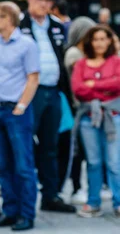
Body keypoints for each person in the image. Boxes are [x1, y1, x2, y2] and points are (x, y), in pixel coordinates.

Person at [19, 0, 76, 213]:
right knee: (25, 145)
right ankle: (25, 198)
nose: (44, 4)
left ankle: (50, 195)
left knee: (50, 145)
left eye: (48, 0)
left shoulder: (56, 26)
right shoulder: (19, 24)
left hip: (53, 91)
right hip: (29, 92)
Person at [0, 2, 40, 231]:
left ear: (8, 18)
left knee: (23, 166)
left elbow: (33, 77)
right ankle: (9, 211)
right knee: (3, 165)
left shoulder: (27, 44)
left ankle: (27, 214)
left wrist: (21, 105)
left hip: (16, 111)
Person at [71, 25, 120, 218]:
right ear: (90, 42)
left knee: (114, 161)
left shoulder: (115, 61)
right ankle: (93, 202)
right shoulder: (81, 64)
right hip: (88, 120)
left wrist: (94, 85)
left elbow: (118, 83)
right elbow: (78, 89)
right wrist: (105, 91)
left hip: (112, 117)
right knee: (93, 162)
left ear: (109, 41)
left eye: (103, 38)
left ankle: (118, 201)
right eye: (96, 39)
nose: (100, 43)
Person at [63, 16, 96, 205]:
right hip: (78, 107)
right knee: (79, 151)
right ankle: (77, 187)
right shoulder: (75, 54)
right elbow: (84, 81)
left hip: (88, 107)